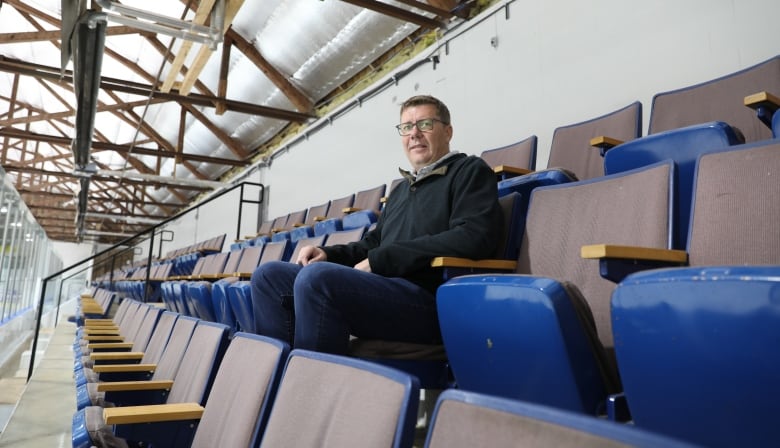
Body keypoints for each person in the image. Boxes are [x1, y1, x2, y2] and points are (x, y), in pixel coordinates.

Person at [250, 95, 502, 354]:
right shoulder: (402, 190)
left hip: (430, 301)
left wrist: (385, 259)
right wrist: (329, 254)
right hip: (385, 291)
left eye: (425, 124)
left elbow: (474, 236)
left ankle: (310, 385)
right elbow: (373, 244)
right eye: (406, 127)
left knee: (317, 279)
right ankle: (279, 378)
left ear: (447, 132)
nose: (414, 133)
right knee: (269, 277)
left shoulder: (469, 170)